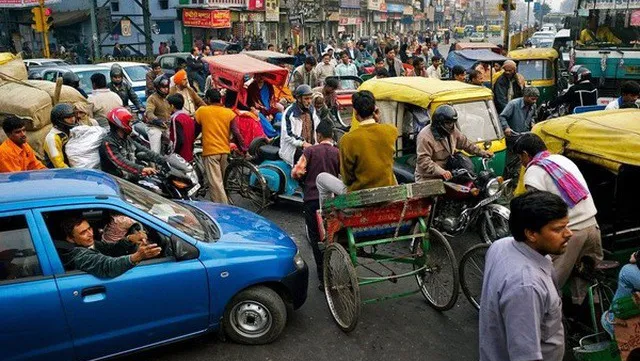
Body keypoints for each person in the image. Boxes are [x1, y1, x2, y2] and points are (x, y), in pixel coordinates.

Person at [479, 191, 569, 361]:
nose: (568, 233)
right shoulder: (526, 286)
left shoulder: (501, 245)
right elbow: (524, 355)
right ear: (531, 234)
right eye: (558, 229)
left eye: (566, 226)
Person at [515, 133, 603, 304]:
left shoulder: (534, 171)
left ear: (525, 154)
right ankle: (588, 317)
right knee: (586, 280)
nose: (521, 162)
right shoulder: (562, 160)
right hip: (593, 226)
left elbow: (537, 210)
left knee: (550, 282)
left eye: (520, 157)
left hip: (570, 232)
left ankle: (551, 318)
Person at [315, 90, 397, 205]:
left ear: (355, 112)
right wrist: (376, 119)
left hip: (360, 196)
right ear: (375, 109)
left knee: (321, 178)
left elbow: (347, 178)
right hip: (386, 192)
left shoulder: (347, 139)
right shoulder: (391, 131)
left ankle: (325, 212)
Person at [291, 120, 339, 288]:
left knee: (316, 237)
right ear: (331, 135)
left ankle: (323, 276)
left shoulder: (310, 151)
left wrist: (303, 178)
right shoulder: (337, 152)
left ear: (318, 135)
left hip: (312, 200)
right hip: (332, 202)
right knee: (332, 235)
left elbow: (296, 173)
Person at [55, 215, 161, 278]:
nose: (90, 234)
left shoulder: (88, 243)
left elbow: (110, 249)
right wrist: (138, 256)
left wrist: (129, 239)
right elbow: (107, 266)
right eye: (83, 232)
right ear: (70, 239)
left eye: (89, 229)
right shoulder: (78, 255)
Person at [414, 104, 492, 181]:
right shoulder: (425, 137)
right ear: (439, 122)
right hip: (429, 176)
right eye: (448, 123)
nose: (451, 125)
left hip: (449, 171)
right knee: (435, 193)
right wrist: (441, 172)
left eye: (452, 123)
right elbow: (423, 160)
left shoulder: (452, 130)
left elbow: (465, 143)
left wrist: (482, 152)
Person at [195, 89, 245, 203]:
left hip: (211, 152)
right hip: (224, 151)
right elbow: (236, 133)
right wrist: (243, 148)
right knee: (222, 181)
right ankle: (224, 203)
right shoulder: (229, 113)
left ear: (207, 99)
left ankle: (223, 208)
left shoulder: (202, 111)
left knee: (216, 184)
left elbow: (196, 130)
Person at [100, 106, 163, 180]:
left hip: (131, 175)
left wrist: (162, 159)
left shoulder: (126, 138)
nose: (131, 123)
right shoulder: (108, 142)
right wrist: (141, 169)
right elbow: (120, 162)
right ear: (121, 124)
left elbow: (143, 149)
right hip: (117, 180)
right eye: (129, 122)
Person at [279, 85, 321, 166]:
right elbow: (288, 135)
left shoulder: (312, 109)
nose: (309, 101)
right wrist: (303, 143)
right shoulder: (290, 113)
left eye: (310, 98)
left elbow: (317, 126)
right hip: (295, 150)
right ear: (299, 99)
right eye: (306, 99)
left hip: (310, 147)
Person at [167, 93, 199, 163]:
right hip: (189, 154)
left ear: (172, 106)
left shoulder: (175, 119)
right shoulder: (188, 118)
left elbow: (178, 139)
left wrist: (173, 154)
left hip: (181, 157)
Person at [43, 104, 77, 169]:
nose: (72, 119)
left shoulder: (71, 131)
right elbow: (59, 164)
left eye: (73, 116)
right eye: (68, 117)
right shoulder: (52, 138)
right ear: (59, 120)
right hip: (60, 175)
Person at [145, 75, 172, 154]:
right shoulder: (152, 98)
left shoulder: (169, 97)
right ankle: (154, 165)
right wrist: (156, 120)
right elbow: (149, 112)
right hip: (155, 127)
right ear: (157, 88)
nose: (166, 89)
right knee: (155, 151)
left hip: (168, 127)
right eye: (163, 87)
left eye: (167, 87)